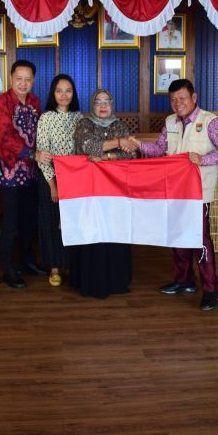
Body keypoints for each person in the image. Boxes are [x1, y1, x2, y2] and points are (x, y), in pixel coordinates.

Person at [132, 79, 218, 311]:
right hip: (175, 190)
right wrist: (138, 145)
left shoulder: (210, 121)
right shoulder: (170, 121)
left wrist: (203, 159)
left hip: (198, 191)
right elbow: (160, 149)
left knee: (200, 240)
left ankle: (211, 289)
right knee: (177, 236)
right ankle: (184, 280)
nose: (178, 103)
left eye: (182, 98)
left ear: (194, 98)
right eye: (174, 99)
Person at [71, 88, 136, 298]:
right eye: (98, 102)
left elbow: (131, 155)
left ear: (112, 104)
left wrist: (106, 158)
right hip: (89, 191)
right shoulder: (84, 124)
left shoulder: (120, 125)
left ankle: (117, 282)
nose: (102, 105)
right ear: (92, 105)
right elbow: (87, 146)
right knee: (93, 236)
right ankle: (92, 283)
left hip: (116, 191)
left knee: (115, 235)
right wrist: (117, 144)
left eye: (106, 101)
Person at [0, 59, 46, 288]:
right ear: (11, 78)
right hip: (11, 171)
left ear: (33, 80)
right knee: (11, 222)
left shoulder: (34, 101)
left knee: (28, 220)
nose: (23, 83)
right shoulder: (1, 103)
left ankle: (26, 261)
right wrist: (31, 154)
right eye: (19, 79)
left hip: (32, 171)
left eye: (28, 79)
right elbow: (4, 137)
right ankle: (9, 268)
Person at [35, 74, 83, 286]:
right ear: (53, 94)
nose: (64, 95)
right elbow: (43, 155)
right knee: (52, 223)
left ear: (73, 94)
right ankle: (54, 267)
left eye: (68, 90)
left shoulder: (80, 118)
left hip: (75, 178)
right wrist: (53, 185)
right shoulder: (46, 118)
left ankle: (73, 264)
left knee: (72, 223)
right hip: (50, 178)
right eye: (59, 90)